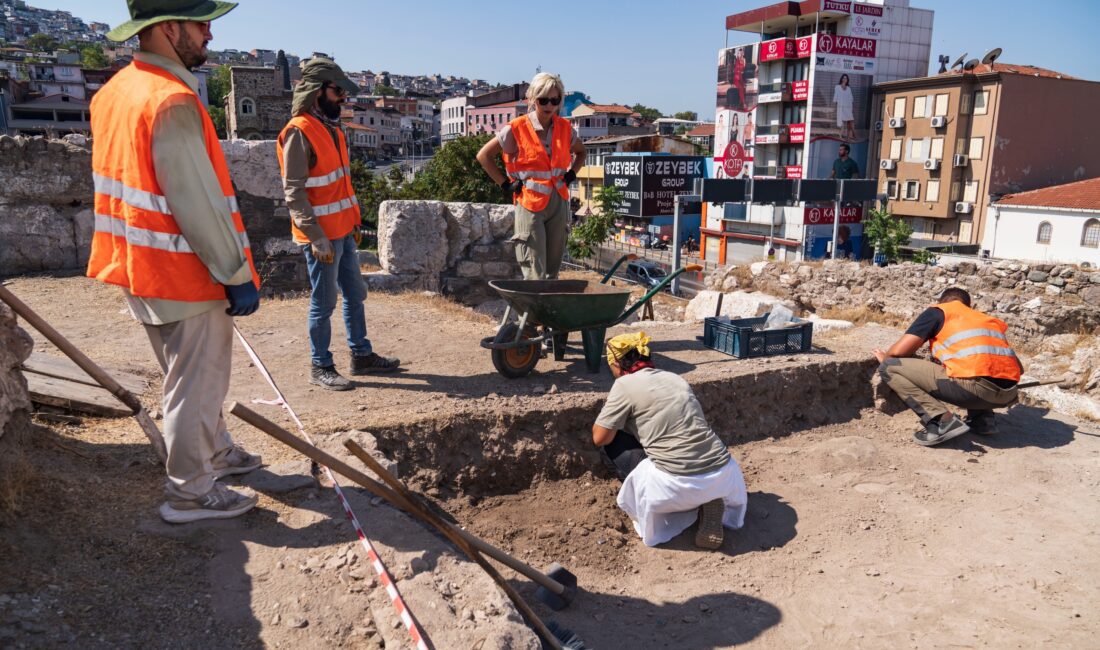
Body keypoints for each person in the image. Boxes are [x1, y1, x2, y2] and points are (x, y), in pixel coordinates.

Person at [89, 0, 262, 523]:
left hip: (138, 262)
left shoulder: (115, 92)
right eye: (201, 23)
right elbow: (198, 203)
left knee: (187, 377)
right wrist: (235, 273)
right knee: (195, 384)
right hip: (184, 271)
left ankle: (215, 453)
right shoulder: (172, 100)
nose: (209, 34)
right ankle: (190, 492)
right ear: (168, 28)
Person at [278, 58, 400, 391]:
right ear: (317, 91)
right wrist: (315, 236)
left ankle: (361, 355)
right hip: (321, 237)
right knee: (324, 303)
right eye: (338, 91)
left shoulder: (332, 128)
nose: (343, 97)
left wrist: (355, 222)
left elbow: (341, 185)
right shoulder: (299, 131)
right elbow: (294, 192)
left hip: (343, 230)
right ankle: (320, 366)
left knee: (355, 294)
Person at [592, 333, 748, 549]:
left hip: (675, 486)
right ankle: (708, 500)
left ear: (616, 364)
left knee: (612, 443)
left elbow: (599, 437)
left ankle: (683, 505)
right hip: (725, 474)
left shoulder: (624, 384)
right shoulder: (675, 378)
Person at [875, 288, 1022, 447]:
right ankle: (983, 420)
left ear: (942, 302)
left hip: (974, 392)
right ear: (968, 305)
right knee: (973, 366)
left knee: (889, 367)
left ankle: (941, 422)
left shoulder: (939, 312)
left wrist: (886, 358)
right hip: (1008, 395)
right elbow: (1019, 369)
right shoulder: (988, 320)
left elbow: (898, 352)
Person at [476, 73, 586, 280]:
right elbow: (484, 156)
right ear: (533, 99)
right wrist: (505, 185)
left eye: (554, 100)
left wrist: (572, 174)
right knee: (535, 270)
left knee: (553, 269)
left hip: (558, 201)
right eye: (543, 100)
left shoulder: (564, 128)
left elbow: (581, 152)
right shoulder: (516, 128)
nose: (549, 105)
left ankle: (549, 301)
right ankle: (534, 302)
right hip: (529, 202)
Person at [833, 73, 856, 142]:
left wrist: (852, 108)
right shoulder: (837, 87)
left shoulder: (849, 88)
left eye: (846, 78)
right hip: (841, 107)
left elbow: (851, 98)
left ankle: (848, 137)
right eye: (844, 78)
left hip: (848, 107)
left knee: (850, 121)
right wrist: (836, 105)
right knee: (843, 122)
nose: (845, 79)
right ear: (842, 79)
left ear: (847, 80)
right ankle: (850, 135)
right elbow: (835, 97)